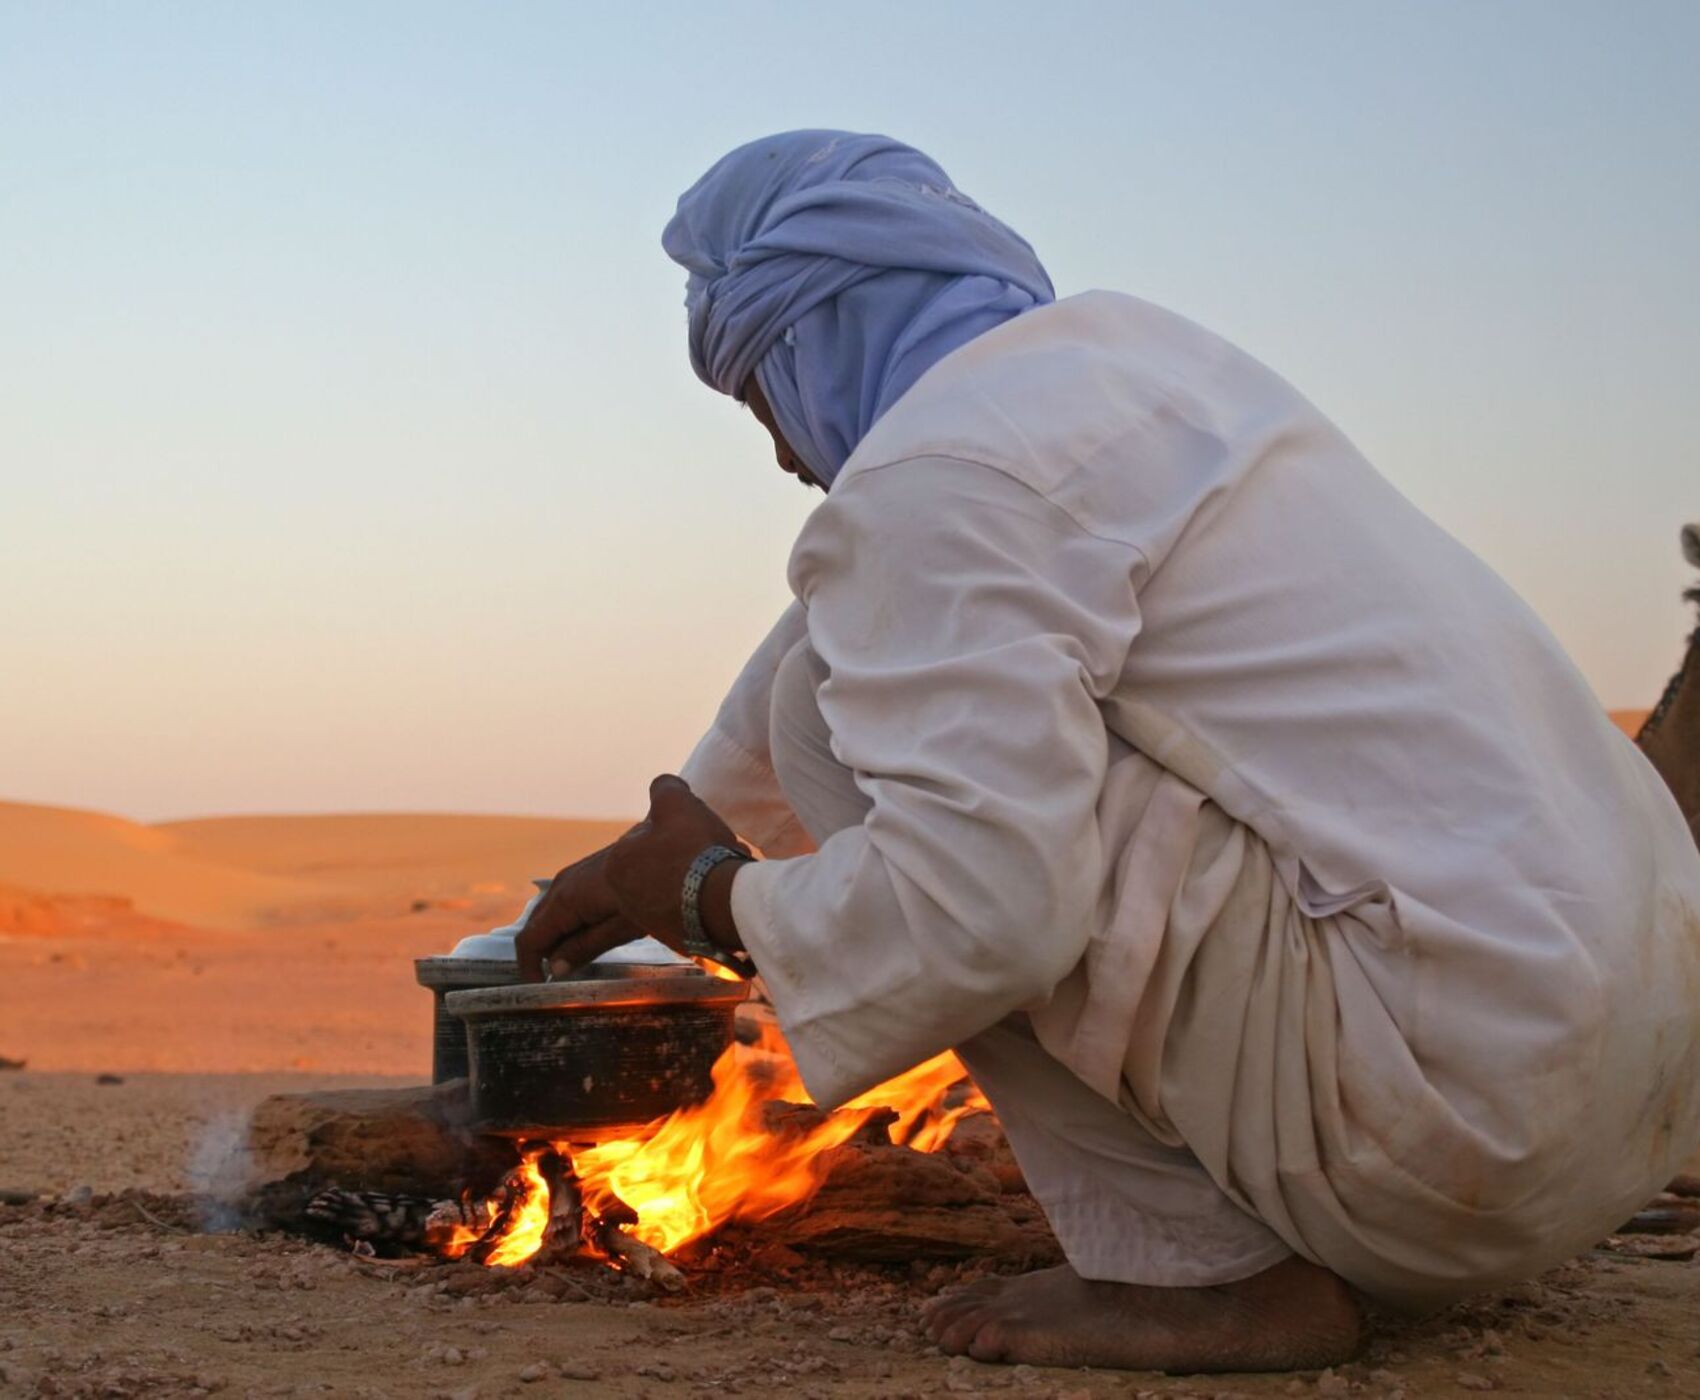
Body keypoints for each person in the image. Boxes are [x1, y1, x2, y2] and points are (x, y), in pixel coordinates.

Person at [516, 130, 1700, 1373]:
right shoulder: (1133, 366)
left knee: (889, 772)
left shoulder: (941, 477)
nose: (778, 451)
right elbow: (862, 615)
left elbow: (978, 906)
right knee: (843, 687)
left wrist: (711, 898)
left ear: (816, 339)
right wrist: (670, 826)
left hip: (1451, 1144)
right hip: (1621, 1099)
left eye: (762, 394)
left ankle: (1200, 1276)